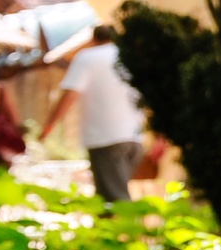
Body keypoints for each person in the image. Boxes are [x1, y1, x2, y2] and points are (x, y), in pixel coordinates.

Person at [42, 25, 145, 202]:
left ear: (93, 39)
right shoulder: (131, 57)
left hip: (105, 138)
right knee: (113, 195)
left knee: (116, 201)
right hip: (134, 139)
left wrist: (49, 126)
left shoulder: (87, 57)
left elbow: (71, 94)